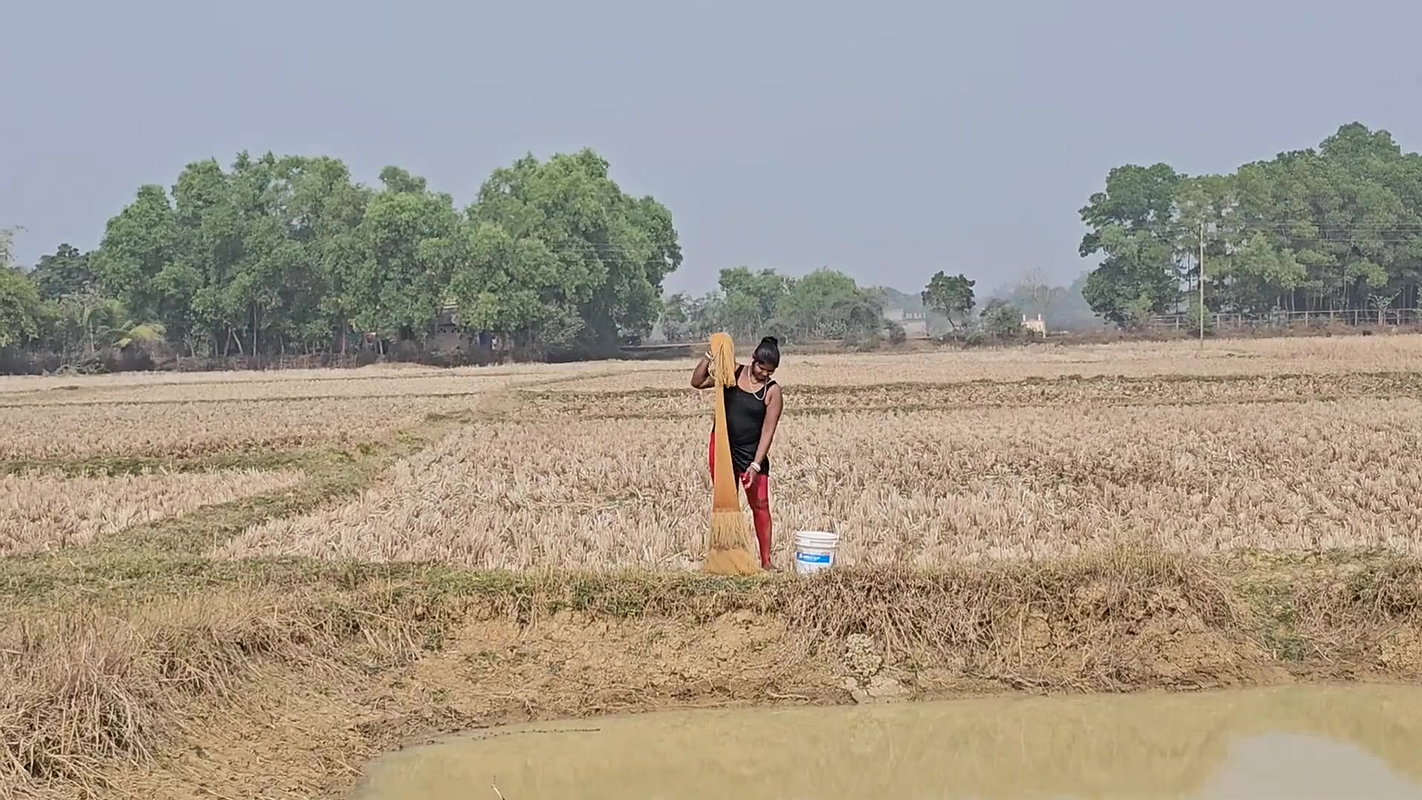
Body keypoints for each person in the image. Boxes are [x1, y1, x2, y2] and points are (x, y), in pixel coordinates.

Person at [691, 336, 783, 570]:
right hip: (723, 448)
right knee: (726, 503)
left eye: (770, 372)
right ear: (754, 360)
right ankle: (727, 559)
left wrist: (755, 465)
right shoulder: (731, 373)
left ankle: (766, 561)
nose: (765, 374)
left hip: (752, 453)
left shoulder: (772, 392)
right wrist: (710, 356)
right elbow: (698, 382)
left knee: (760, 503)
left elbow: (767, 432)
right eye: (762, 368)